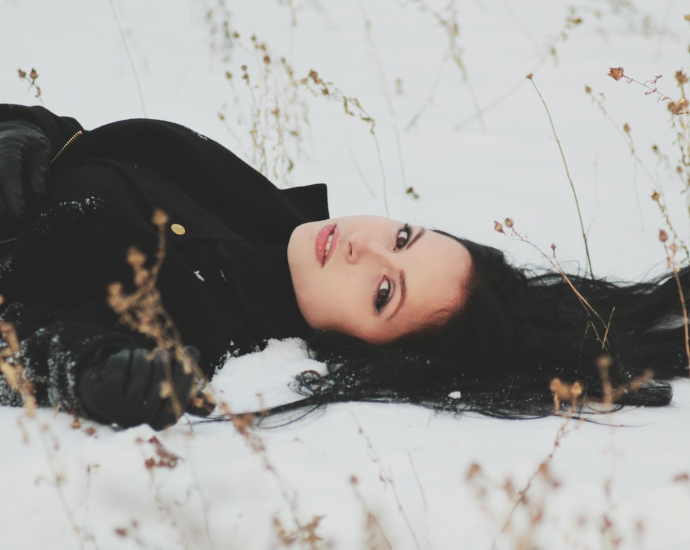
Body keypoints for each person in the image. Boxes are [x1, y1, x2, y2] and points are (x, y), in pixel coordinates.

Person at [0, 105, 687, 431]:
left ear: (358, 345)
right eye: (405, 235)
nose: (366, 246)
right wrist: (27, 129)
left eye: (384, 292)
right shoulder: (250, 204)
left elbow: (17, 343)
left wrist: (82, 374)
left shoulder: (198, 331)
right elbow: (80, 144)